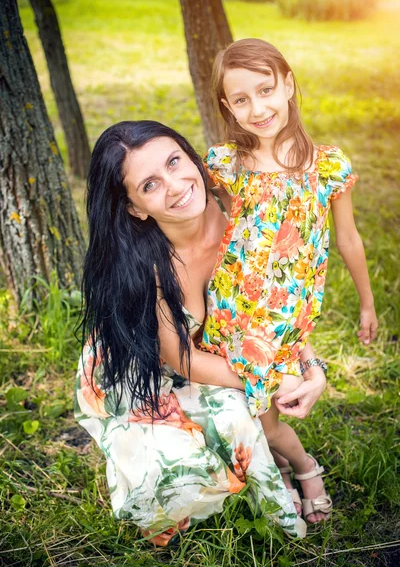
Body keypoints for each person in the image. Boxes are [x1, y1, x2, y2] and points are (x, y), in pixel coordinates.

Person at [75, 120, 329, 546]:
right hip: (149, 368)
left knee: (244, 408)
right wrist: (265, 377)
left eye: (175, 161)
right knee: (189, 455)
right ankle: (273, 471)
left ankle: (300, 467)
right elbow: (181, 359)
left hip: (223, 351)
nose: (175, 186)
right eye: (150, 184)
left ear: (192, 157)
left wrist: (310, 366)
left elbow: (280, 304)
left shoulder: (244, 215)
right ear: (136, 207)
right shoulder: (151, 267)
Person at [198, 38, 378, 522]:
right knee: (252, 403)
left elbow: (349, 241)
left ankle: (303, 467)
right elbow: (218, 231)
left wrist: (367, 304)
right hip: (232, 306)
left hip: (284, 312)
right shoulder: (227, 164)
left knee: (262, 410)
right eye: (241, 99)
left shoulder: (326, 167)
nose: (257, 108)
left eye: (266, 90)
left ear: (289, 85)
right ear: (227, 108)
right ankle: (280, 463)